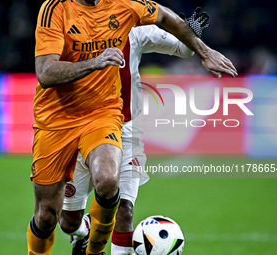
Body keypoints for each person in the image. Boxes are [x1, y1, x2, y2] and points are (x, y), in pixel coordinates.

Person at [27, 0, 237, 254]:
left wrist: (193, 37)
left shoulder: (133, 19)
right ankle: (81, 231)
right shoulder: (57, 10)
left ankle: (95, 251)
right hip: (61, 120)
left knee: (121, 204)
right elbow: (46, 71)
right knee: (62, 220)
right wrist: (95, 61)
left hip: (118, 123)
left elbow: (178, 42)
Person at [59, 8, 210, 255]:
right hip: (81, 129)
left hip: (126, 132)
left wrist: (188, 32)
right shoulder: (74, 30)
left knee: (125, 209)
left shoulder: (136, 31)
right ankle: (84, 228)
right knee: (68, 223)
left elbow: (183, 49)